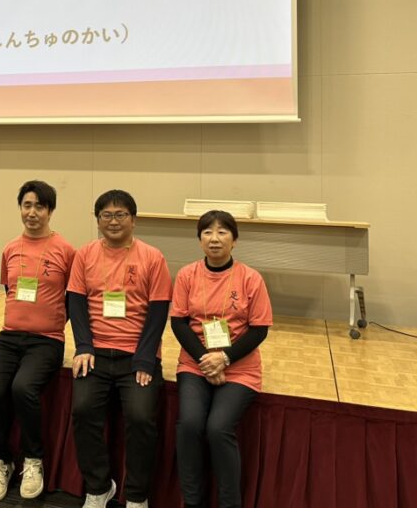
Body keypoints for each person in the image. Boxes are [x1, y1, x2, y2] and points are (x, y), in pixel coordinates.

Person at [68, 189, 171, 508]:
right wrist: (83, 346)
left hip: (137, 356)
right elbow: (76, 301)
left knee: (141, 417)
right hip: (95, 352)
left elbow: (159, 310)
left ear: (133, 220)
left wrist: (145, 358)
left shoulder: (152, 257)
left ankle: (137, 496)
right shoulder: (85, 254)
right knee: (83, 410)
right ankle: (99, 487)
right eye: (106, 215)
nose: (113, 221)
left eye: (120, 214)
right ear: (98, 220)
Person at [0, 180, 75, 501]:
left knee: (23, 388)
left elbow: (73, 297)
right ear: (20, 208)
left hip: (46, 340)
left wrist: (51, 322)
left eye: (39, 206)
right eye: (27, 205)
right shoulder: (10, 248)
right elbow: (10, 290)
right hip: (9, 336)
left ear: (50, 211)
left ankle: (33, 460)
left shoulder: (65, 250)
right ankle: (0, 462)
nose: (32, 212)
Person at [170, 210, 272, 508]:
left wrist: (224, 359)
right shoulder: (187, 275)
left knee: (218, 428)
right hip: (195, 363)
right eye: (207, 232)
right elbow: (178, 323)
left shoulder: (250, 278)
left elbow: (259, 329)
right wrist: (207, 360)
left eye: (222, 232)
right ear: (199, 239)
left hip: (240, 367)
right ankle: (192, 503)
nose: (214, 239)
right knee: (189, 425)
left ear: (234, 240)